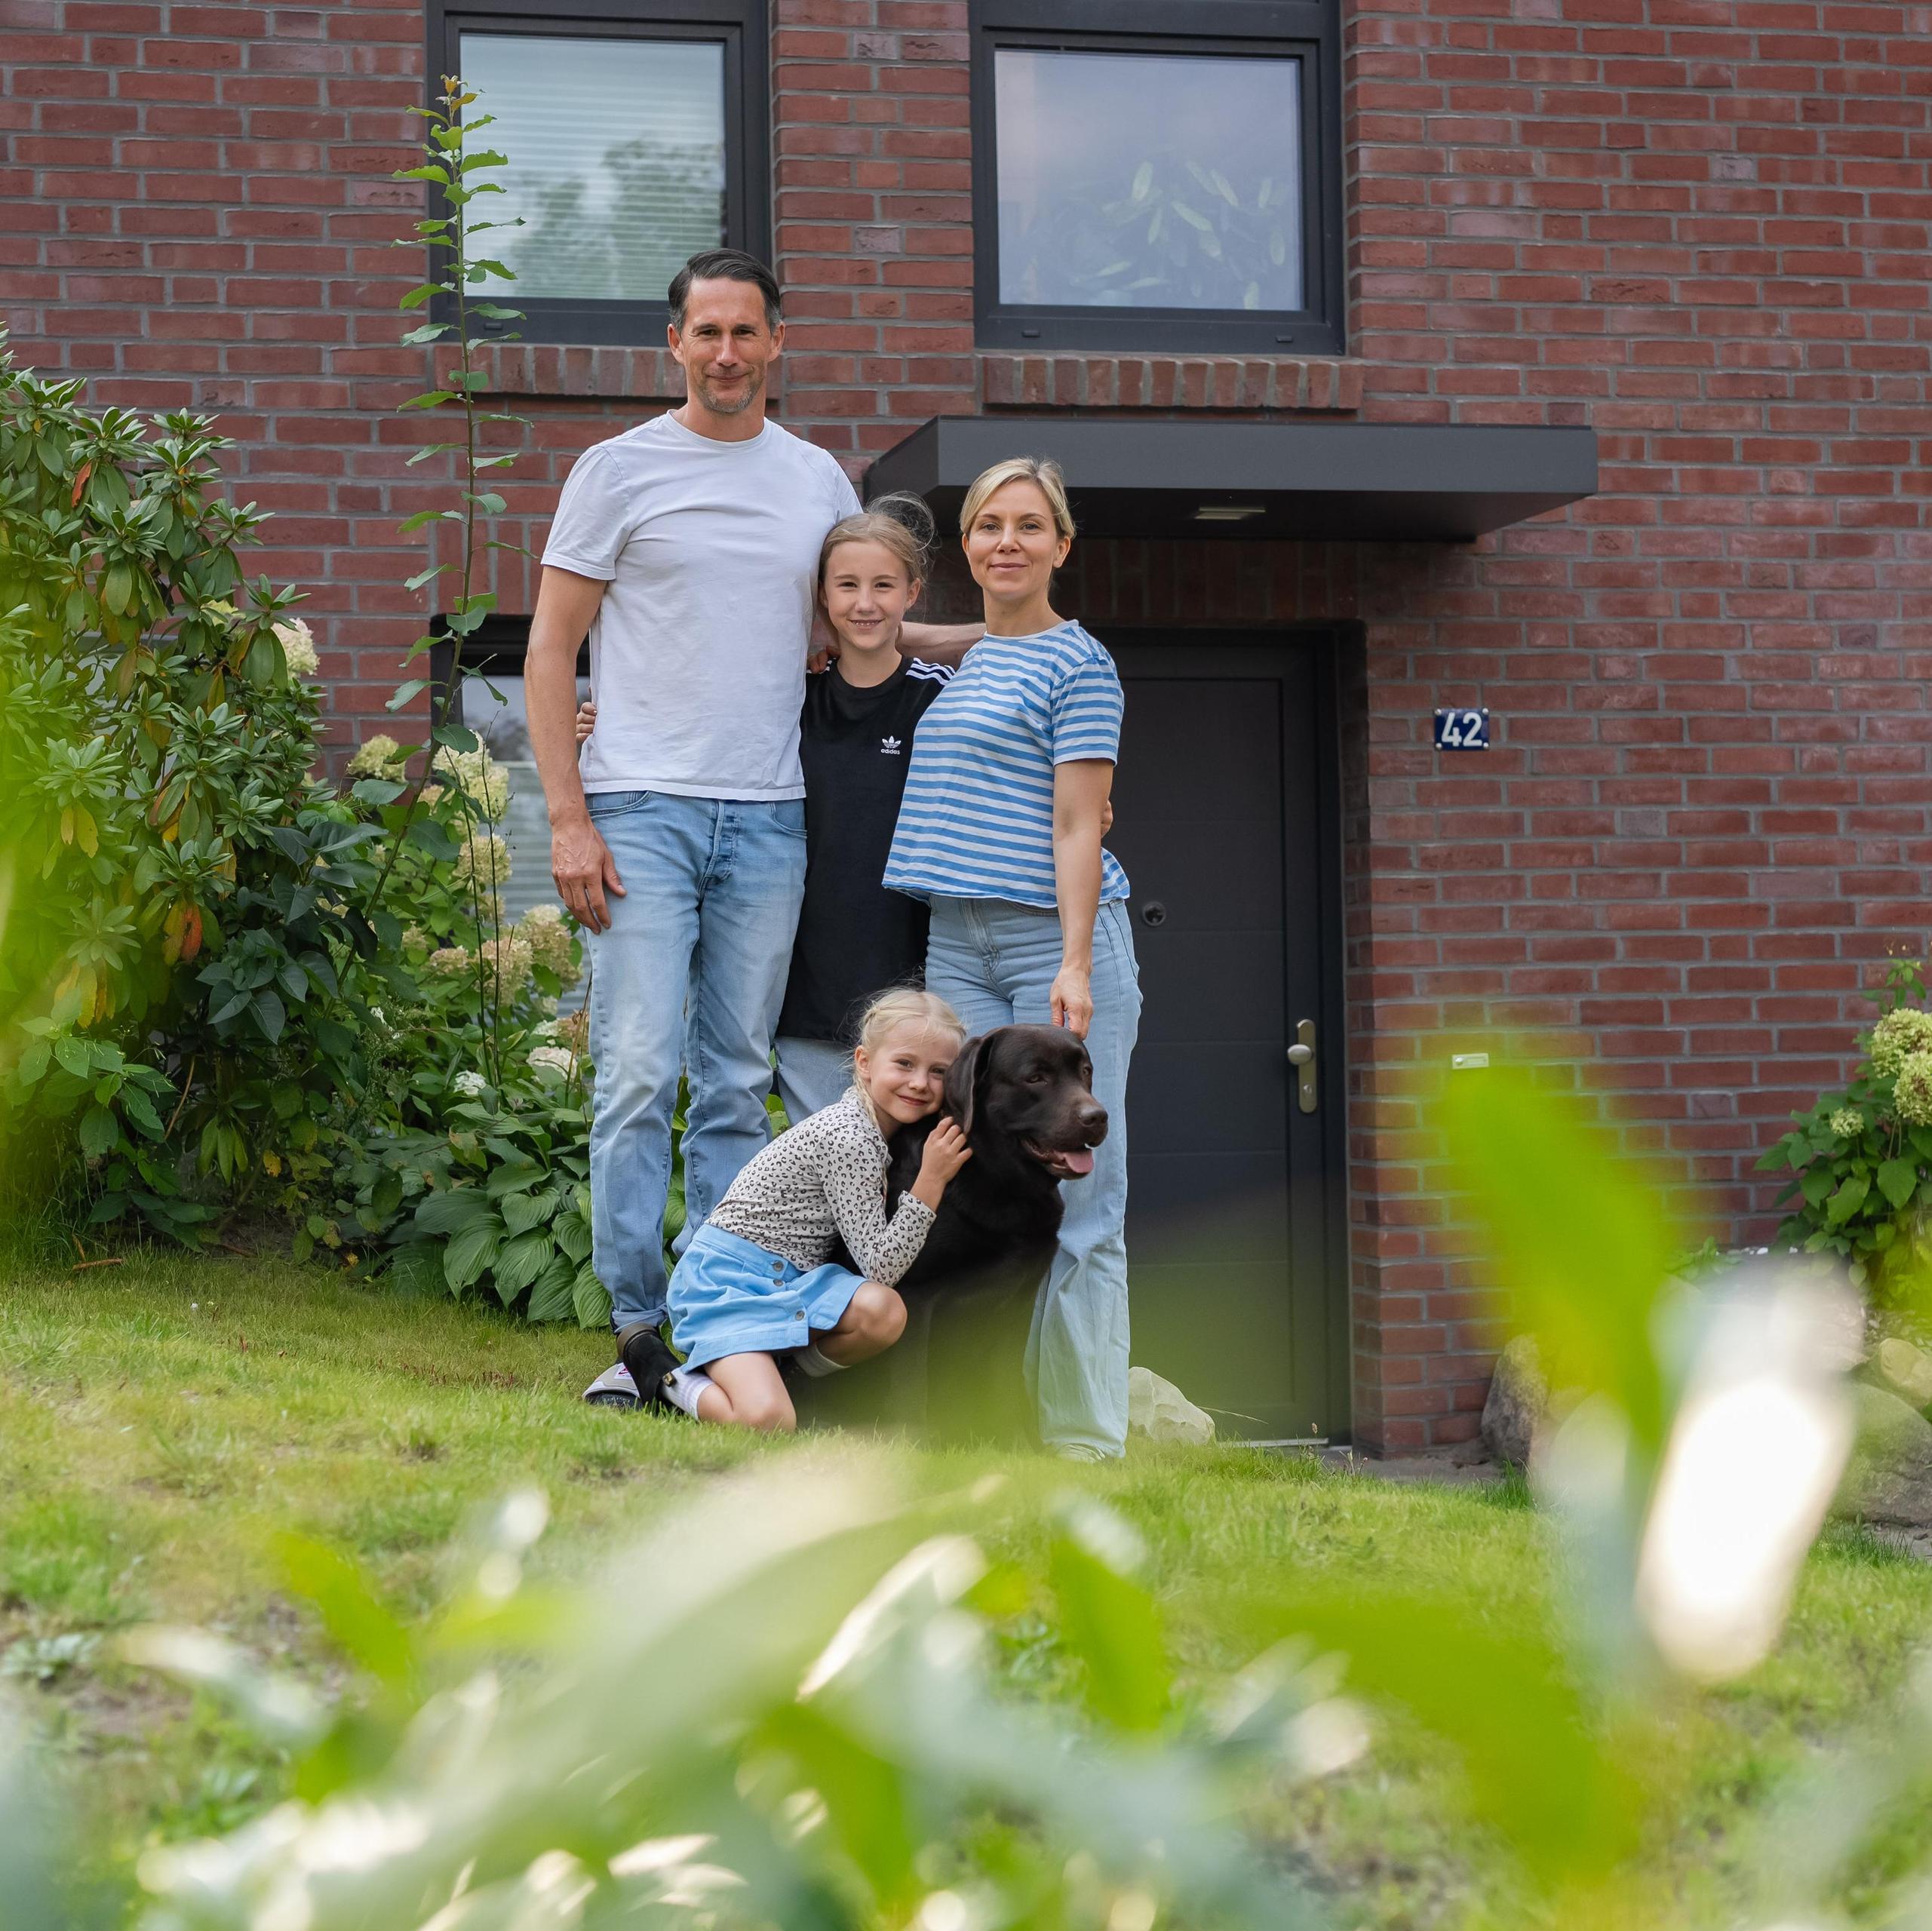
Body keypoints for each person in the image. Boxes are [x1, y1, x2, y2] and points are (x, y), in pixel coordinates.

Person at [524, 248, 976, 1412]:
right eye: (706, 332)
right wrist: (566, 817)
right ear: (674, 344)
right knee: (633, 1074)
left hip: (773, 815)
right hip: (638, 809)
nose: (726, 353)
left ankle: (729, 1324)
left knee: (733, 1080)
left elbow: (853, 629)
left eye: (746, 333)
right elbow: (548, 647)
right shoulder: (615, 471)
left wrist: (998, 648)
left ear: (778, 343)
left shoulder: (817, 480)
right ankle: (637, 1334)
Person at [882, 457, 1140, 1463]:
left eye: (1029, 526)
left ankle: (1084, 1442)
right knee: (966, 1183)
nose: (1005, 543)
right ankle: (982, 1428)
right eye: (988, 525)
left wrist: (1072, 963)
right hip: (958, 934)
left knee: (1084, 1199)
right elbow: (864, 628)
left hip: (1050, 936)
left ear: (1061, 546)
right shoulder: (980, 654)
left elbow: (1079, 825)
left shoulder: (1082, 665)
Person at [573, 496, 955, 1125]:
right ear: (820, 599)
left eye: (883, 585)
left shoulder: (939, 701)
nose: (865, 603)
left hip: (913, 978)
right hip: (806, 985)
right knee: (825, 1174)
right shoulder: (787, 702)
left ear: (911, 593)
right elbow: (695, 723)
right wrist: (605, 728)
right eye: (847, 586)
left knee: (910, 1174)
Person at [657, 988, 972, 1431]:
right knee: (766, 1422)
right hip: (727, 1285)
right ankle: (662, 1376)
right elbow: (880, 1266)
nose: (920, 1082)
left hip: (792, 1282)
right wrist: (931, 1181)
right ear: (864, 1062)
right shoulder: (848, 1137)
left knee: (883, 1313)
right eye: (904, 1063)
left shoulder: (878, 1129)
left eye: (938, 1071)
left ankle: (792, 1383)